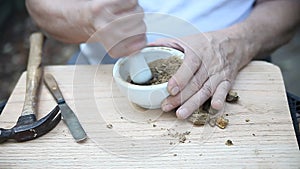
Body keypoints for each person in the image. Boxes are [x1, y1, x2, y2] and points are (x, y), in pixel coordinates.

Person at [26, 0, 300, 120]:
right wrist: (86, 17)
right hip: (97, 71)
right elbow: (39, 5)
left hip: (231, 66)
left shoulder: (235, 48)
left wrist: (239, 42)